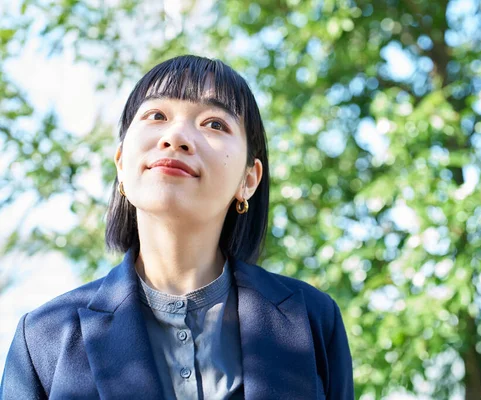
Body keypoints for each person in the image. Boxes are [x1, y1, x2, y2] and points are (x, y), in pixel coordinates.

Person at [0, 55, 354, 399]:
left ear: (248, 179)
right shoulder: (44, 337)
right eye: (157, 115)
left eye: (215, 123)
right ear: (121, 163)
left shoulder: (312, 320)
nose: (176, 137)